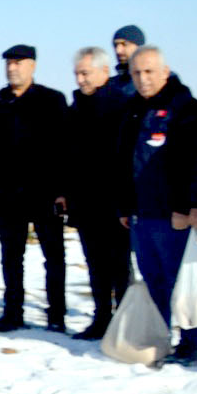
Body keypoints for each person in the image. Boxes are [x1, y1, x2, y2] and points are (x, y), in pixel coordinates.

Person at [116, 47, 197, 365]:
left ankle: (190, 344)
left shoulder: (185, 107)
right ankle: (159, 336)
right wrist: (125, 207)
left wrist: (188, 207)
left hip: (173, 215)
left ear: (165, 71)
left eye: (149, 72)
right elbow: (125, 162)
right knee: (153, 280)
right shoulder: (132, 109)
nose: (143, 79)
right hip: (142, 213)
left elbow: (196, 161)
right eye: (137, 73)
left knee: (179, 281)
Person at [0, 45, 70, 332]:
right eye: (8, 63)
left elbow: (65, 147)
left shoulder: (52, 100)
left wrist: (62, 190)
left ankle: (56, 314)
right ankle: (13, 312)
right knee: (11, 257)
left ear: (32, 66)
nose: (12, 68)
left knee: (54, 256)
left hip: (45, 192)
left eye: (18, 63)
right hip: (9, 194)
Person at [68, 46, 131, 339]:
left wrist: (125, 201)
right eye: (77, 74)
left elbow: (125, 157)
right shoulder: (75, 108)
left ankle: (125, 320)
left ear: (104, 72)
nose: (80, 79)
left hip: (114, 201)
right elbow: (66, 156)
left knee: (119, 264)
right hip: (85, 200)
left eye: (85, 73)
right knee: (95, 264)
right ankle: (101, 317)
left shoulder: (121, 106)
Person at [109, 25, 145, 96]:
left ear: (139, 47)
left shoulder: (157, 81)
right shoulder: (110, 86)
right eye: (116, 45)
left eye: (124, 44)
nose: (118, 51)